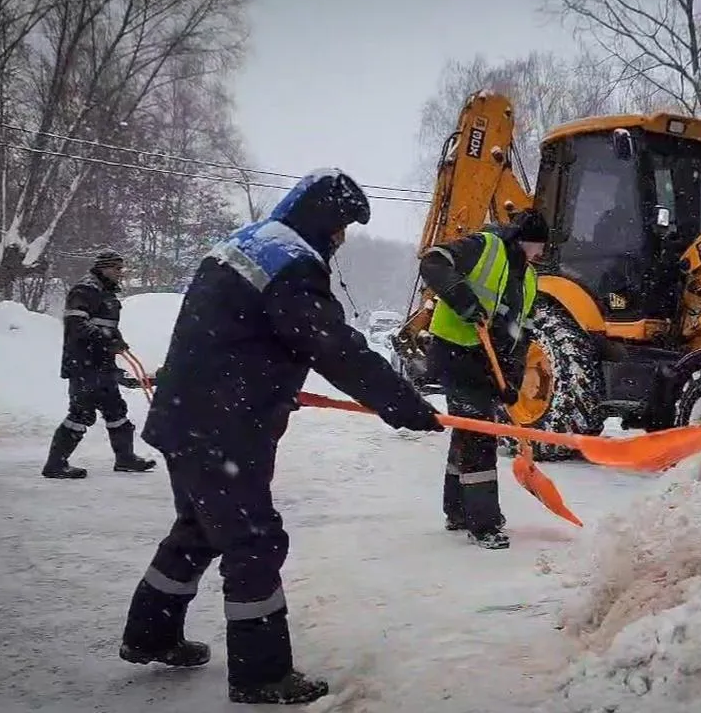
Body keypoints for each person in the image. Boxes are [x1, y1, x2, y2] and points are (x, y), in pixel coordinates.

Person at [117, 169, 444, 705]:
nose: (339, 240)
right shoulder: (291, 262)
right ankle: (261, 675)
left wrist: (271, 379)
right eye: (339, 228)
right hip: (223, 425)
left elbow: (244, 335)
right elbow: (332, 345)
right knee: (254, 540)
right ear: (321, 217)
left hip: (186, 414)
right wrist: (400, 402)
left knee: (199, 527)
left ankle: (150, 635)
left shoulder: (245, 244)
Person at [417, 208, 548, 550]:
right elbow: (432, 262)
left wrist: (511, 379)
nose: (541, 253)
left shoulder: (529, 278)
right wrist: (463, 300)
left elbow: (522, 334)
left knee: (469, 428)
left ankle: (458, 510)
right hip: (454, 352)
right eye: (538, 246)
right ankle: (483, 523)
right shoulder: (484, 247)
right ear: (525, 241)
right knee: (479, 433)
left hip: (485, 361)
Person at [40, 249, 155, 479]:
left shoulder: (107, 294)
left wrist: (117, 340)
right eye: (116, 268)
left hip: (103, 365)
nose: (120, 273)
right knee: (80, 414)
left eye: (121, 268)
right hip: (84, 364)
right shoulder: (85, 290)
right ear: (104, 268)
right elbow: (76, 325)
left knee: (116, 411)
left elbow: (105, 326)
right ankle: (55, 465)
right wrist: (107, 340)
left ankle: (125, 459)